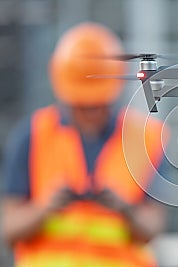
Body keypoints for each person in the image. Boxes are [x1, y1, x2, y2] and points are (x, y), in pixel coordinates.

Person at [1, 22, 167, 267]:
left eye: (97, 103)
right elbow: (9, 229)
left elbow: (153, 227)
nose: (90, 111)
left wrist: (125, 209)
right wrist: (45, 207)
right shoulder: (33, 135)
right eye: (82, 104)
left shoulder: (144, 138)